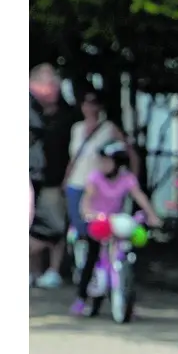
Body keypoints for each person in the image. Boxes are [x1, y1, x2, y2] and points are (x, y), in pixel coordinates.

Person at [71, 141, 162, 315]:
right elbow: (87, 200)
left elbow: (139, 196)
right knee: (92, 256)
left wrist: (152, 215)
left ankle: (127, 294)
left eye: (107, 161)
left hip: (116, 222)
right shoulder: (95, 177)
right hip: (98, 222)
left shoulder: (127, 179)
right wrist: (88, 213)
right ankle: (82, 297)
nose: (103, 164)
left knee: (128, 254)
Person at [62, 87, 130, 245]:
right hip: (76, 182)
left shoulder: (109, 129)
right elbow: (73, 157)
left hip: (97, 185)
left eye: (93, 103)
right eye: (86, 103)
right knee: (78, 224)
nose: (89, 108)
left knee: (97, 227)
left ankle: (97, 257)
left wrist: (125, 177)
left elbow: (127, 151)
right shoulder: (77, 128)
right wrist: (66, 178)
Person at [30, 64, 74, 288]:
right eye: (52, 85)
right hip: (33, 177)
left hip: (51, 178)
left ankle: (51, 270)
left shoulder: (63, 114)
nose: (56, 89)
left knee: (52, 227)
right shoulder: (30, 111)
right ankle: (33, 270)